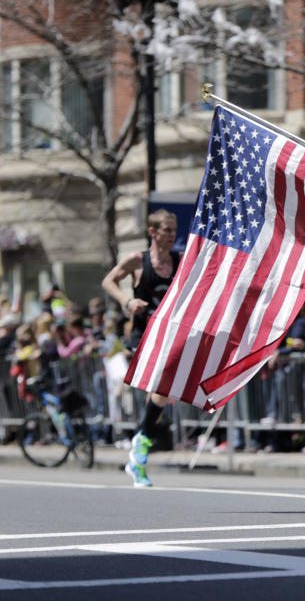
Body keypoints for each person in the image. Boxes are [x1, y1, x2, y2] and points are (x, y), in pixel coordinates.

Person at [101, 209, 180, 487]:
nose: (172, 235)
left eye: (174, 230)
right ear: (152, 232)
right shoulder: (137, 260)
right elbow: (108, 281)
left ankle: (138, 451)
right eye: (166, 230)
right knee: (159, 388)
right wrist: (126, 301)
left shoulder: (179, 261)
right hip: (143, 336)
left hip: (168, 334)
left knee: (161, 393)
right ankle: (141, 444)